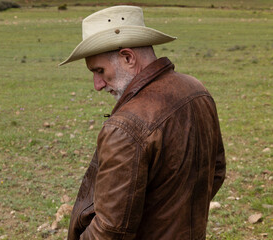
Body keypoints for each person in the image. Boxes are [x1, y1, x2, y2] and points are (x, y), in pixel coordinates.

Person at [59, 5, 226, 240]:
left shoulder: (126, 127)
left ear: (127, 57)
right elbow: (216, 172)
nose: (97, 84)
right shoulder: (197, 89)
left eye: (99, 70)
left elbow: (109, 230)